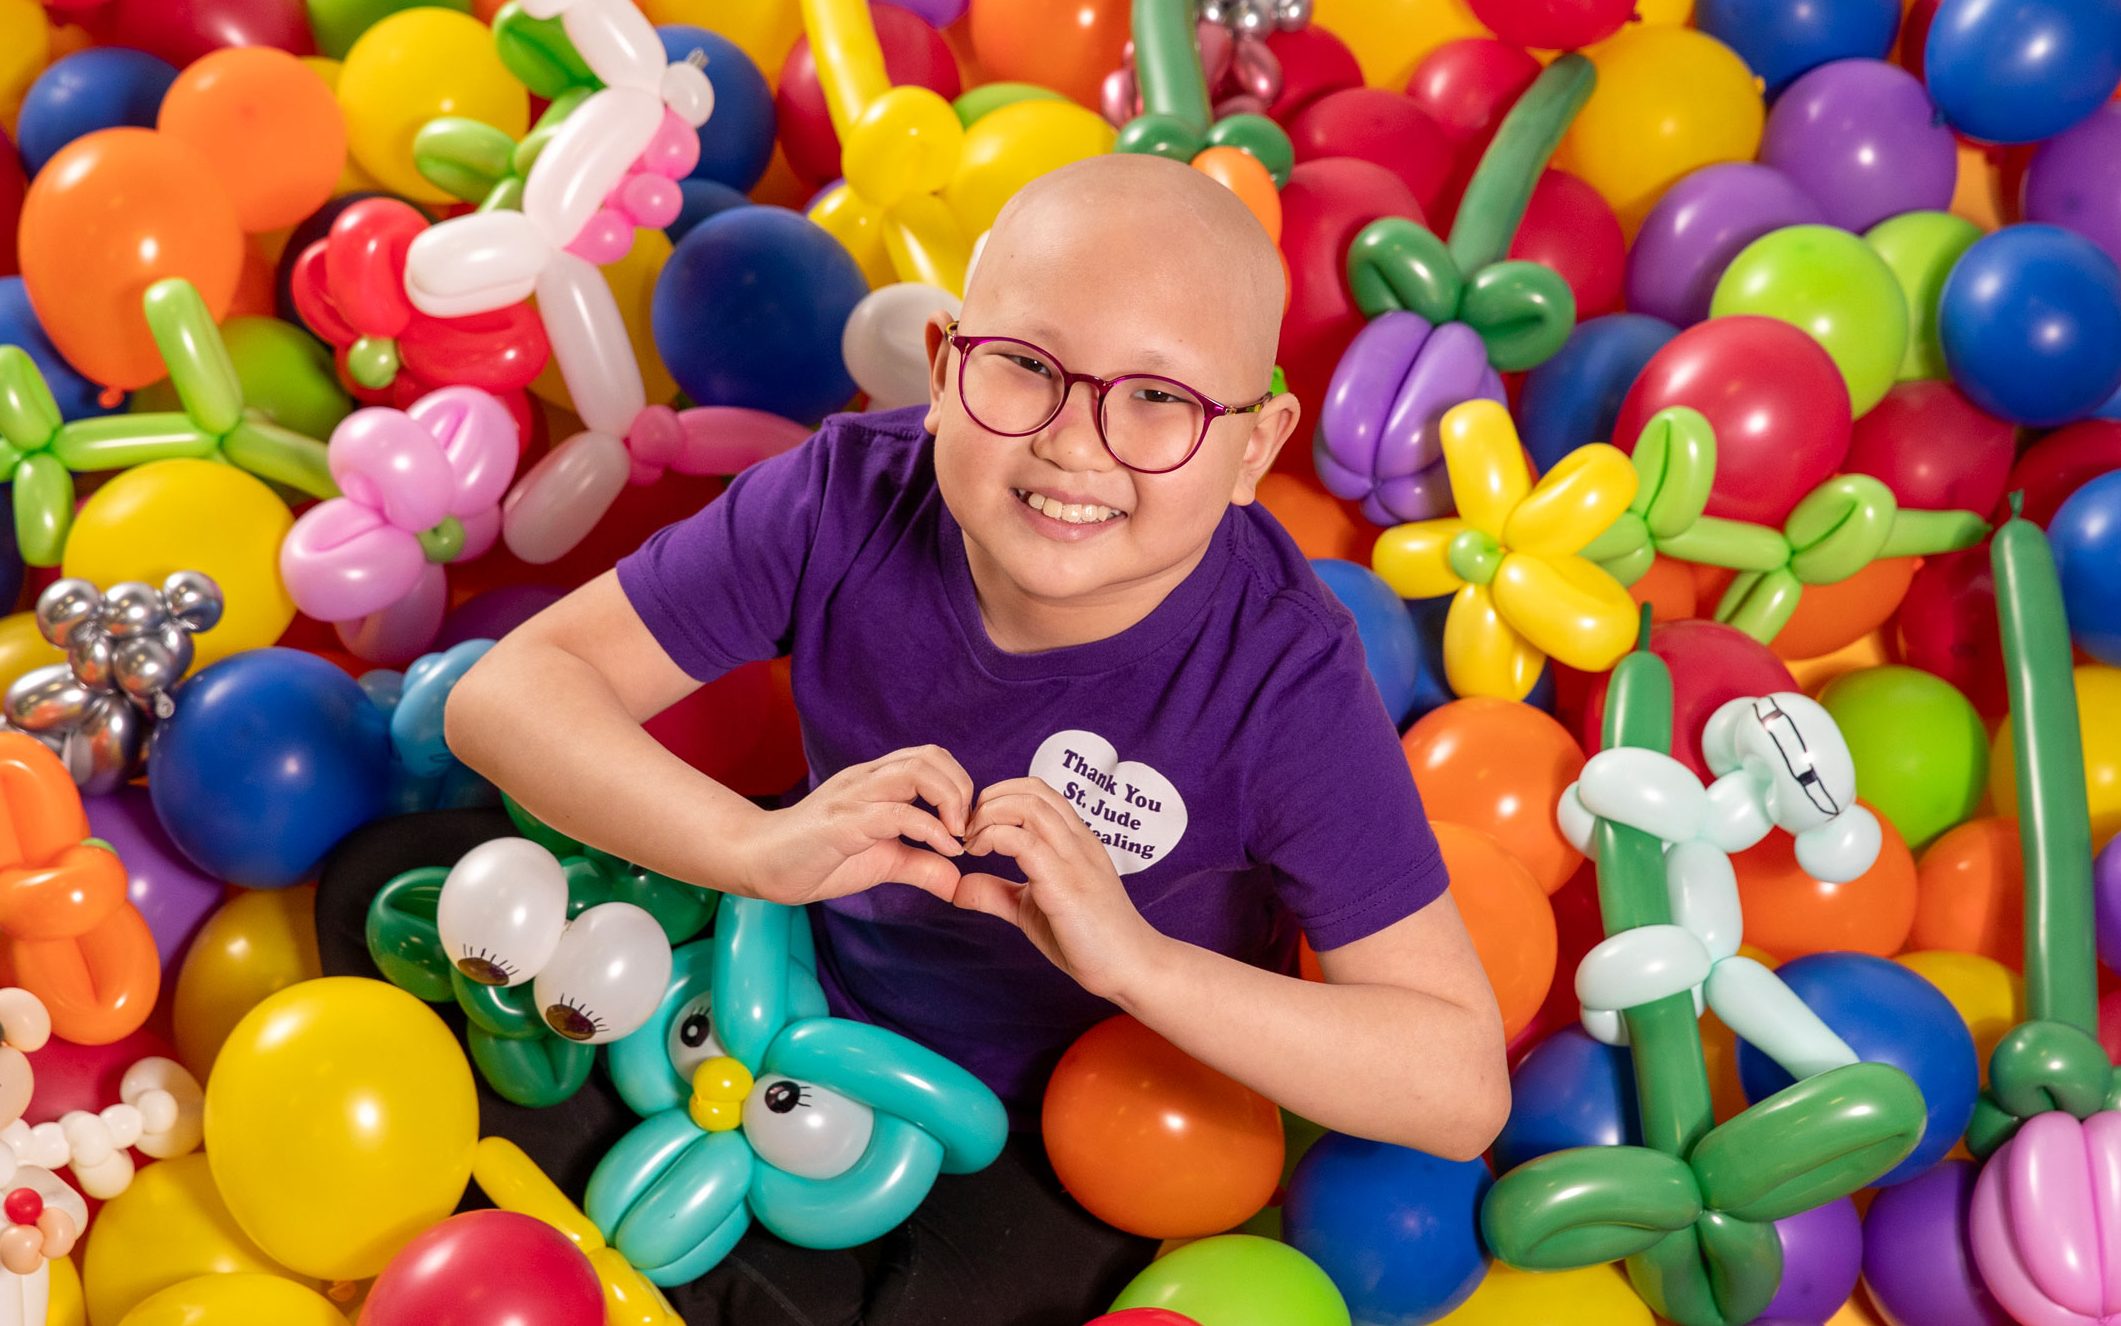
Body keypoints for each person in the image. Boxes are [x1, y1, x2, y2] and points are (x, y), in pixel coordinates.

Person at [446, 152, 1510, 1324]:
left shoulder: (1282, 681)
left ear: (1253, 449)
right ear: (947, 367)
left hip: (1077, 1122)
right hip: (785, 997)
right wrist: (751, 847)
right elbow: (504, 696)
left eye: (1159, 398)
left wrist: (1135, 963)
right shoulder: (844, 496)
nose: (1075, 443)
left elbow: (1456, 1084)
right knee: (400, 921)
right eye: (1025, 368)